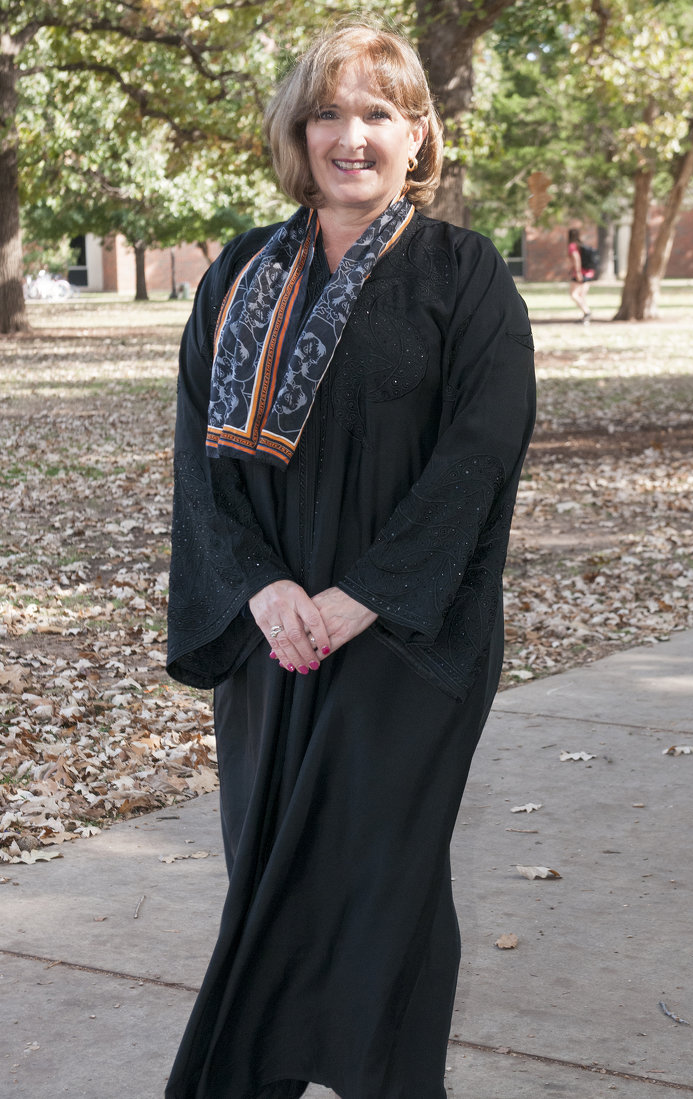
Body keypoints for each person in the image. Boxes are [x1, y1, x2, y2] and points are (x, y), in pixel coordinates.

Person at [165, 18, 536, 1099]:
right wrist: (266, 590)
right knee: (273, 869)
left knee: (383, 877)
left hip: (407, 635)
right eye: (328, 111)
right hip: (270, 638)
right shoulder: (239, 273)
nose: (351, 135)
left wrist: (362, 597)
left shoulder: (465, 278)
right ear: (297, 131)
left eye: (378, 112)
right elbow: (201, 459)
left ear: (418, 135)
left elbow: (482, 449)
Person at [567, 226, 594, 323]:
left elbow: (576, 258)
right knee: (581, 295)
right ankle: (586, 315)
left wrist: (577, 272)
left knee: (573, 294)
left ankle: (587, 312)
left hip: (581, 273)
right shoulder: (580, 245)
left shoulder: (572, 246)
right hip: (589, 273)